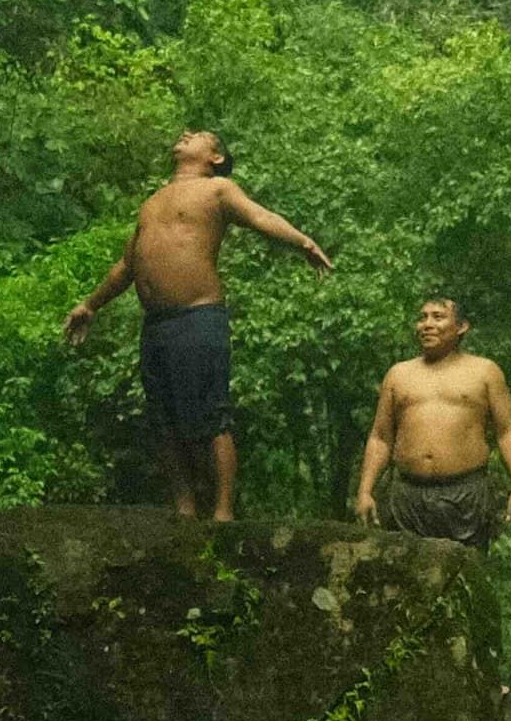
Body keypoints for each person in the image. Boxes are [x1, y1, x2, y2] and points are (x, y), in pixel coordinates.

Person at [58, 130, 332, 521]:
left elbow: (259, 216)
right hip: (157, 324)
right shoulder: (152, 202)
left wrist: (303, 243)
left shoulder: (218, 189)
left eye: (198, 136)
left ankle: (222, 513)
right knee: (164, 419)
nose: (186, 135)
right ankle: (184, 509)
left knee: (210, 414)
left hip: (198, 316)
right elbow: (127, 265)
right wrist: (90, 304)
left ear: (215, 157)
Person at [351, 293, 511, 549]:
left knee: (464, 578)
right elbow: (380, 437)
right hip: (407, 495)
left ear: (461, 327)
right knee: (406, 578)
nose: (427, 324)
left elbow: (507, 430)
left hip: (465, 492)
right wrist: (365, 491)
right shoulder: (398, 375)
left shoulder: (485, 371)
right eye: (422, 318)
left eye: (438, 317)